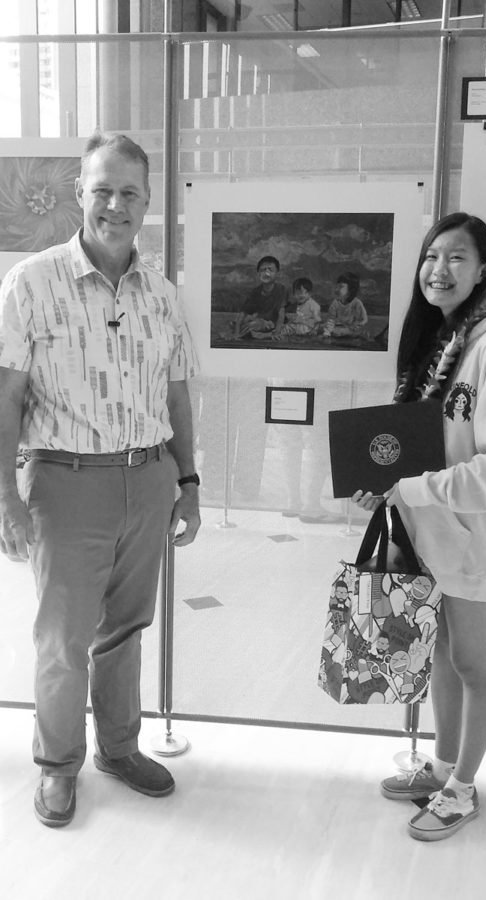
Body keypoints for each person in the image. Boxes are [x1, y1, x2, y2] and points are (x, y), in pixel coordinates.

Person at [0, 131, 201, 828]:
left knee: (126, 629)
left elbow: (176, 397)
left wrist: (190, 481)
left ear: (147, 202)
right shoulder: (32, 283)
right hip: (64, 482)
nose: (116, 204)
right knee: (62, 638)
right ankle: (58, 767)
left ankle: (119, 748)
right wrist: (5, 498)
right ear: (80, 193)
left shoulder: (163, 296)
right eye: (103, 189)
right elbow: (6, 400)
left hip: (146, 479)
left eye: (130, 193)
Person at [352, 212, 486, 841]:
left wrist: (412, 487)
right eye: (431, 257)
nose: (439, 271)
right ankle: (443, 766)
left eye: (457, 259)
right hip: (428, 532)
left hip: (472, 536)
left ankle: (464, 790)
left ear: (484, 271)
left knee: (472, 661)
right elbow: (418, 446)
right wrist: (383, 488)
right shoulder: (442, 342)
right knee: (442, 651)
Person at [233, 255, 288, 339]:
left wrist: (277, 332)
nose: (266, 273)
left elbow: (281, 313)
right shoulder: (255, 292)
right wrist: (236, 333)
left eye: (270, 269)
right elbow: (243, 312)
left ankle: (263, 335)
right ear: (258, 274)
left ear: (277, 273)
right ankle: (252, 333)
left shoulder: (281, 289)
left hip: (272, 323)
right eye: (263, 270)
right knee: (238, 323)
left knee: (252, 325)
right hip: (259, 321)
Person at [271, 277, 320, 341]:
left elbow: (317, 320)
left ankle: (281, 335)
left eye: (302, 293)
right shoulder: (298, 304)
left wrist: (315, 330)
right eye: (297, 293)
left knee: (291, 328)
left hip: (307, 327)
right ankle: (279, 334)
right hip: (298, 325)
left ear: (309, 294)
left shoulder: (313, 305)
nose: (299, 296)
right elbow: (297, 317)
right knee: (285, 326)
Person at [321, 271, 368, 339]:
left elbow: (362, 321)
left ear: (350, 290)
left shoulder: (357, 303)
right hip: (338, 329)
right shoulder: (335, 303)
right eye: (336, 286)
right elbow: (331, 319)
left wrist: (350, 329)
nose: (336, 289)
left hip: (351, 330)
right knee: (323, 327)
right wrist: (328, 329)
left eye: (341, 287)